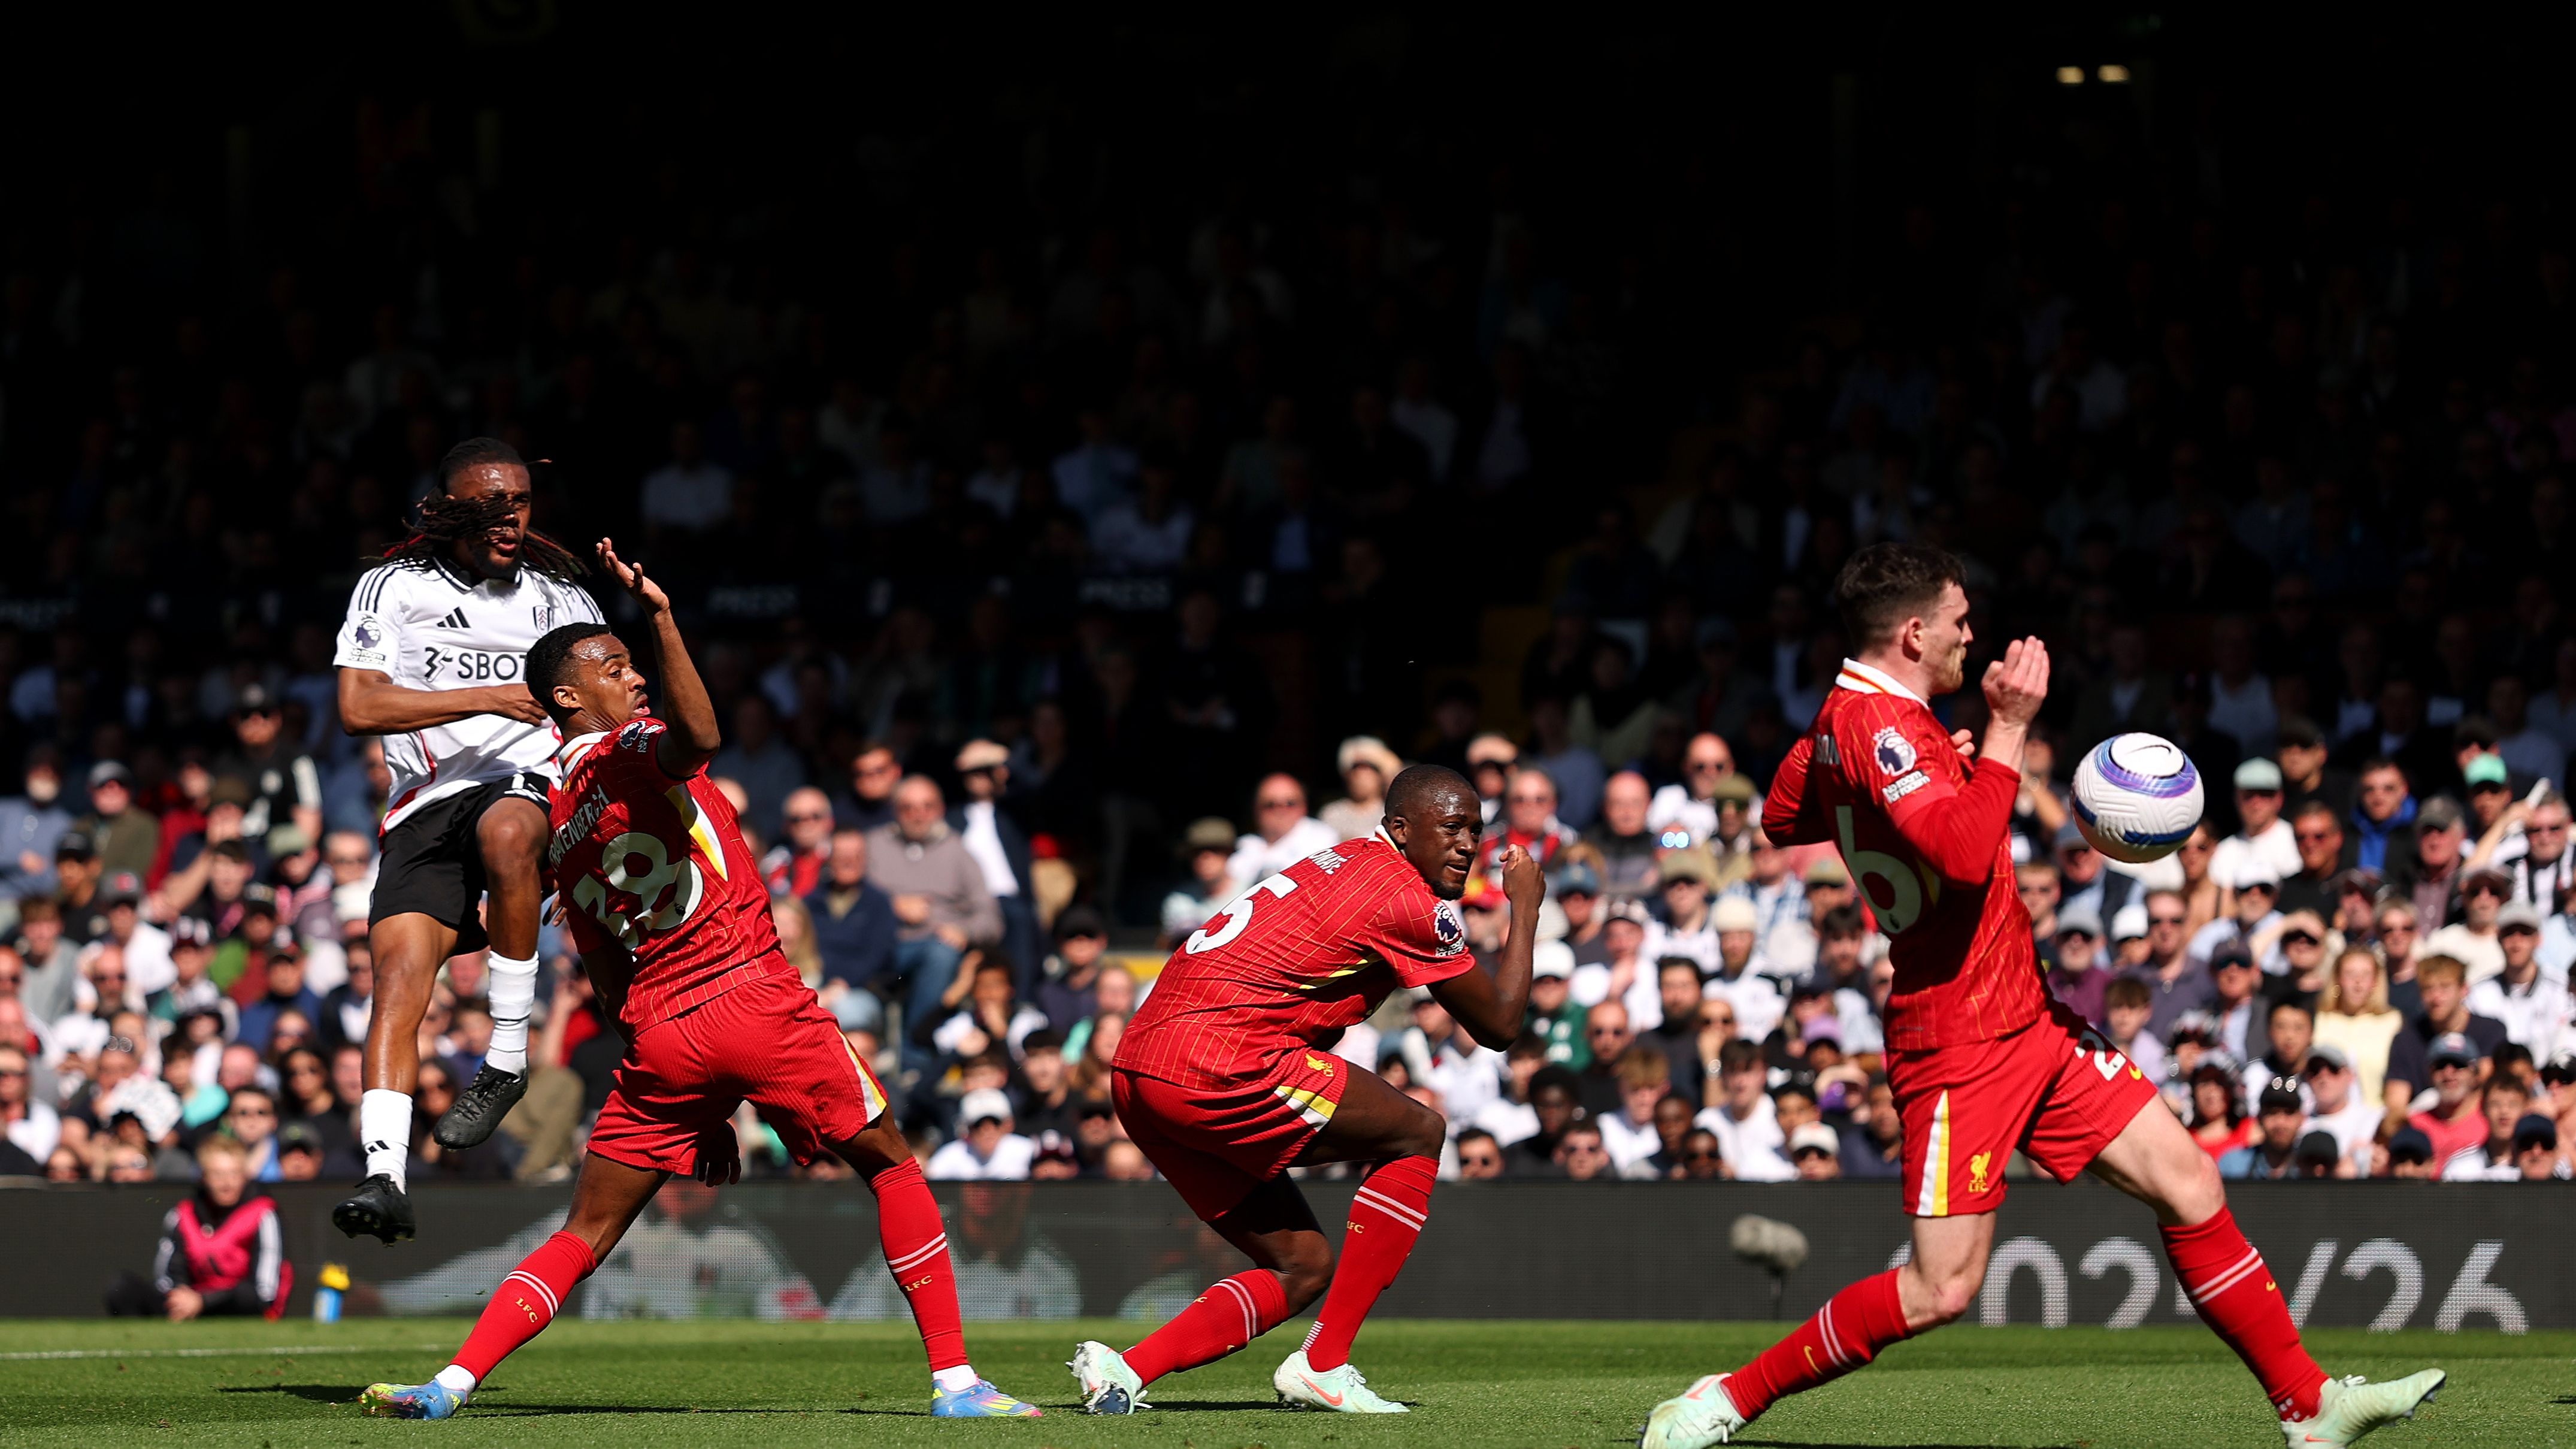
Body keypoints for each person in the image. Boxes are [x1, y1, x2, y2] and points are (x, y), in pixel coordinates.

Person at [1642, 543, 2437, 1449]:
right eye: (1959, 621)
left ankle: (2308, 1404)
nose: (1970, 635)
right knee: (1939, 1288)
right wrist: (2007, 730)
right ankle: (1724, 1397)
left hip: (2030, 1019)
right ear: (1913, 633)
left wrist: (1931, 781)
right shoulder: (1880, 724)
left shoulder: (1851, 718)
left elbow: (1786, 813)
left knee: (2188, 1181)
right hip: (1957, 1037)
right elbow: (1958, 856)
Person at [357, 539, 1037, 1421]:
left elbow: (607, 973)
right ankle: (957, 1382)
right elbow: (702, 738)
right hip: (753, 994)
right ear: (567, 697)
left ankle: (449, 1384)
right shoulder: (630, 750)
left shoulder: (555, 821)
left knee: (584, 1230)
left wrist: (704, 1105)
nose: (635, 677)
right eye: (613, 667)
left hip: (664, 1036)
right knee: (893, 1168)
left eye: (633, 662)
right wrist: (665, 618)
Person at [1067, 764, 1542, 1416]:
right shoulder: (1407, 898)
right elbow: (1500, 1025)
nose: (1467, 845)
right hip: (1220, 1062)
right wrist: (1526, 906)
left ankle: (1123, 1371)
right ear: (1400, 828)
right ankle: (1324, 1363)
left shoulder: (1338, 859)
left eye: (1476, 832)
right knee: (1418, 1132)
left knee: (1303, 1265)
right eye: (1452, 828)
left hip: (1140, 1070)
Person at [329, 438, 604, 1243]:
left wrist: (585, 836)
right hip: (424, 805)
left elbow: (604, 715)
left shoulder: (561, 598)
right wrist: (487, 693)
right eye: (491, 504)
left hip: (525, 785)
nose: (510, 519)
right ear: (449, 508)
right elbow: (359, 705)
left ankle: (507, 1057)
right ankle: (385, 1175)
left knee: (510, 828)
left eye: (521, 502)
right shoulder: (394, 585)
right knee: (397, 976)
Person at [104, 1136, 287, 1320]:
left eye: (234, 1174)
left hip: (237, 1307)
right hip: (190, 1304)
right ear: (203, 1177)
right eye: (218, 1175)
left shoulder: (263, 1213)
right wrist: (183, 1298)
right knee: (122, 1288)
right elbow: (168, 1277)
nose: (226, 1183)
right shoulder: (183, 1214)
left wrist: (204, 1301)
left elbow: (264, 1292)